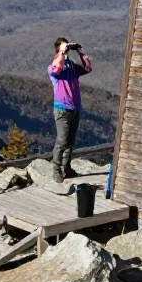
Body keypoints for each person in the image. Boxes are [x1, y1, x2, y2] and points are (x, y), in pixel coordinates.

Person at [48, 37, 92, 183]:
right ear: (57, 50)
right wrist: (62, 53)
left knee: (70, 141)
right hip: (62, 108)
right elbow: (57, 68)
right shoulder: (54, 67)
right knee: (61, 141)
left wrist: (79, 51)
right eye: (63, 48)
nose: (66, 50)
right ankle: (56, 170)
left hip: (75, 107)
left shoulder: (72, 67)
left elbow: (87, 68)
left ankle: (67, 168)